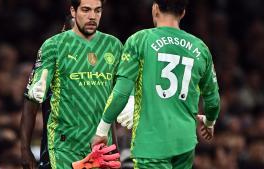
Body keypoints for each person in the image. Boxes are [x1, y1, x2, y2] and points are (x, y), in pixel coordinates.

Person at [92, 0, 221, 168]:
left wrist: (102, 130)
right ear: (183, 13)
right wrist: (210, 122)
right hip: (185, 144)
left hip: (151, 144)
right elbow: (213, 101)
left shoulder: (139, 40)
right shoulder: (201, 48)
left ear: (155, 8)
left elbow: (121, 93)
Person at [20, 0, 133, 168]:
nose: (92, 16)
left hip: (100, 146)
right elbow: (31, 101)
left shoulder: (114, 45)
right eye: (86, 10)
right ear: (73, 11)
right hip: (63, 147)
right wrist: (24, 148)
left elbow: (113, 100)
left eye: (97, 11)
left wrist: (114, 146)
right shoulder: (54, 45)